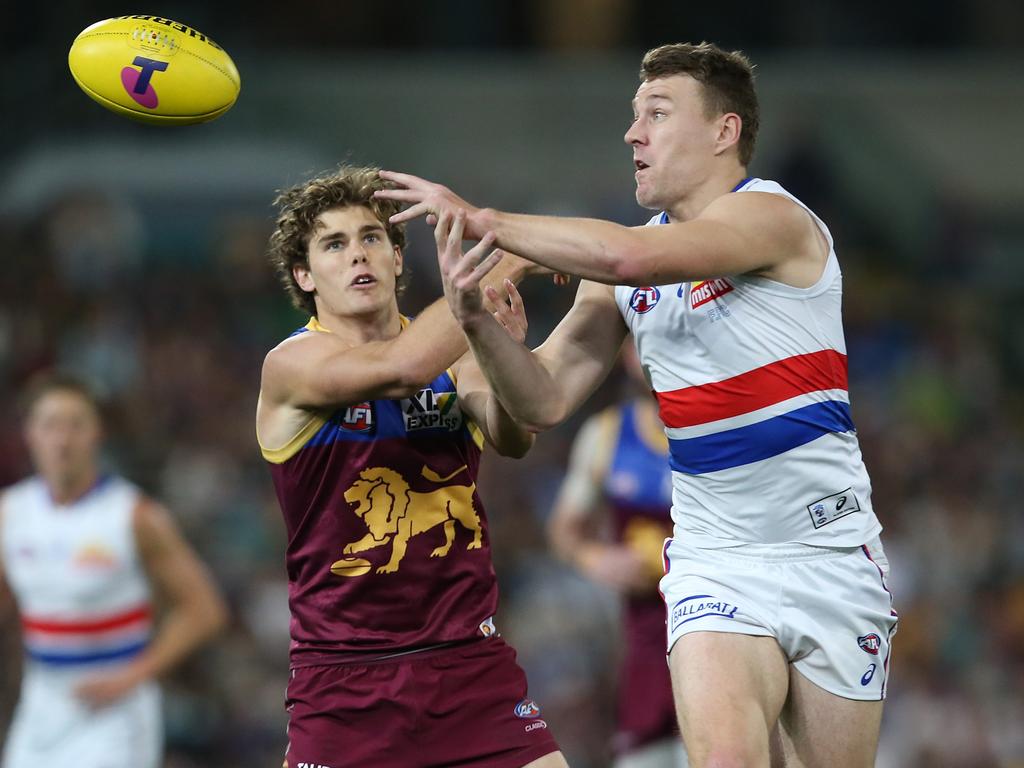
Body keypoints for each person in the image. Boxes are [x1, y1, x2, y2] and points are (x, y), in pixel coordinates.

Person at [376, 41, 899, 768]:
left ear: (725, 132)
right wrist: (474, 323)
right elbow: (544, 398)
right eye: (632, 116)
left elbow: (629, 257)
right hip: (716, 563)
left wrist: (487, 220)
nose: (632, 133)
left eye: (656, 113)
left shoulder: (776, 219)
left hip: (830, 555)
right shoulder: (624, 272)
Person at [256, 165, 567, 768]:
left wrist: (502, 358)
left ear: (399, 259)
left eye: (372, 237)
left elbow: (513, 438)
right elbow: (402, 369)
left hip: (468, 664)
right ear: (305, 276)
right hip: (345, 679)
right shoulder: (292, 364)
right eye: (334, 244)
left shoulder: (455, 347)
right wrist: (509, 259)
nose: (357, 255)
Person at [0, 373, 227, 768]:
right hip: (40, 708)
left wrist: (135, 675)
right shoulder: (11, 514)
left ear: (97, 433)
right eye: (50, 425)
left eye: (76, 424)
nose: (63, 439)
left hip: (115, 719)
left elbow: (205, 610)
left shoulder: (134, 517)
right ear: (30, 434)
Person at [547, 343, 687, 768]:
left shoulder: (724, 428)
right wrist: (596, 559)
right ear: (628, 354)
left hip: (723, 627)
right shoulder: (607, 435)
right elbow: (565, 528)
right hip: (647, 638)